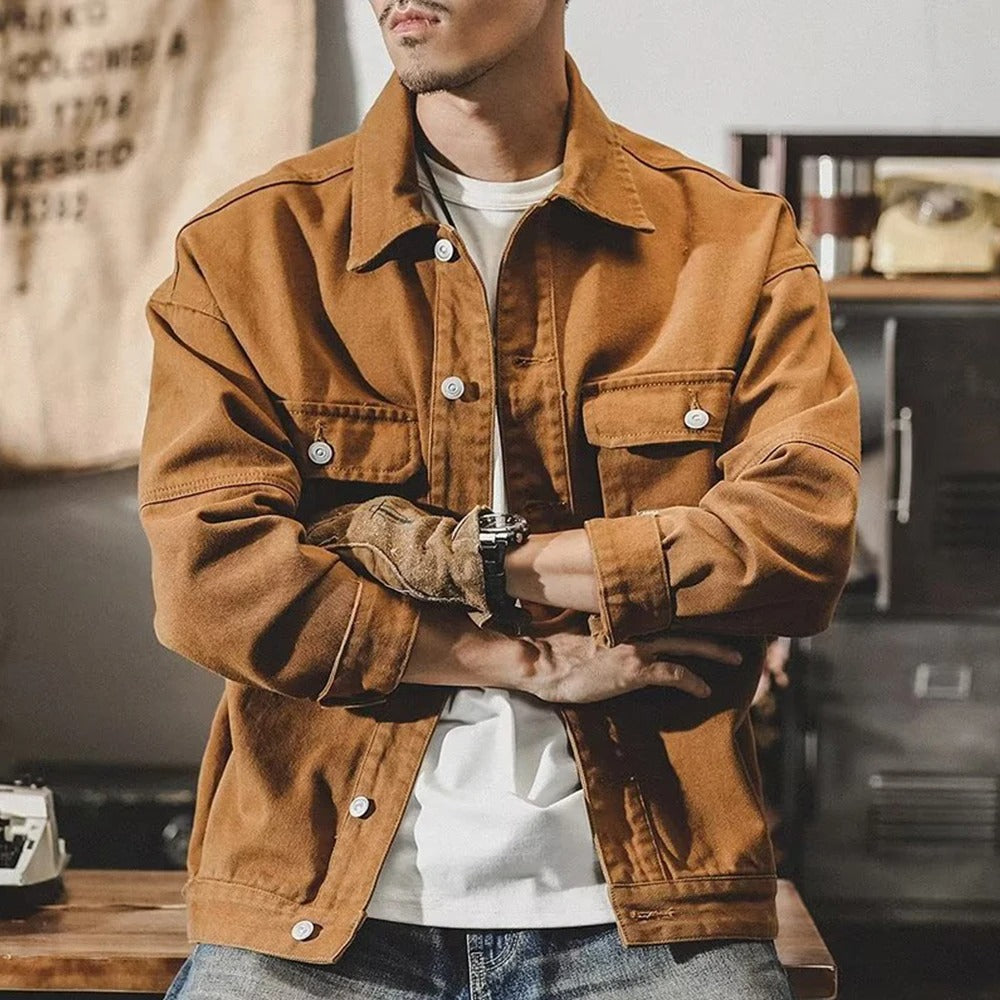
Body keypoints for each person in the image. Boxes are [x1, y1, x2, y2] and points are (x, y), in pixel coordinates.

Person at [139, 1, 860, 997]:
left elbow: (800, 537)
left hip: (656, 912)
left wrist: (460, 558)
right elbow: (213, 580)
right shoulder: (249, 251)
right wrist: (520, 655)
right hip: (317, 913)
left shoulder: (735, 244)